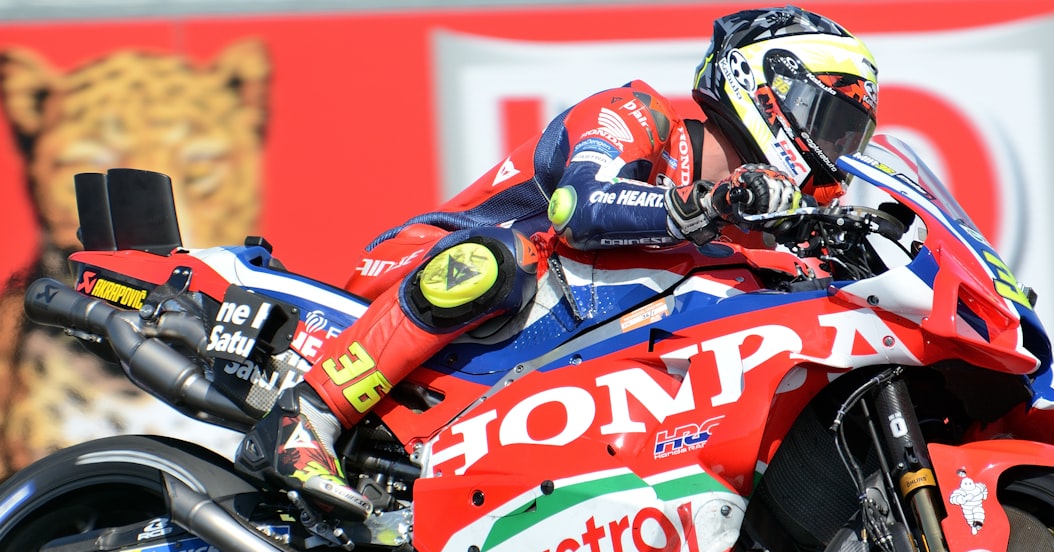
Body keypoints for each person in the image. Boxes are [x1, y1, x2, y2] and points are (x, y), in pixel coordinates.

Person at [235, 5, 880, 519]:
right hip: (424, 274)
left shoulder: (754, 240)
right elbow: (582, 207)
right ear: (769, 90)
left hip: (517, 368)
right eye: (829, 124)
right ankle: (308, 416)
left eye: (849, 139)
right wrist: (702, 203)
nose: (834, 152)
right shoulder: (636, 113)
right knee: (505, 259)